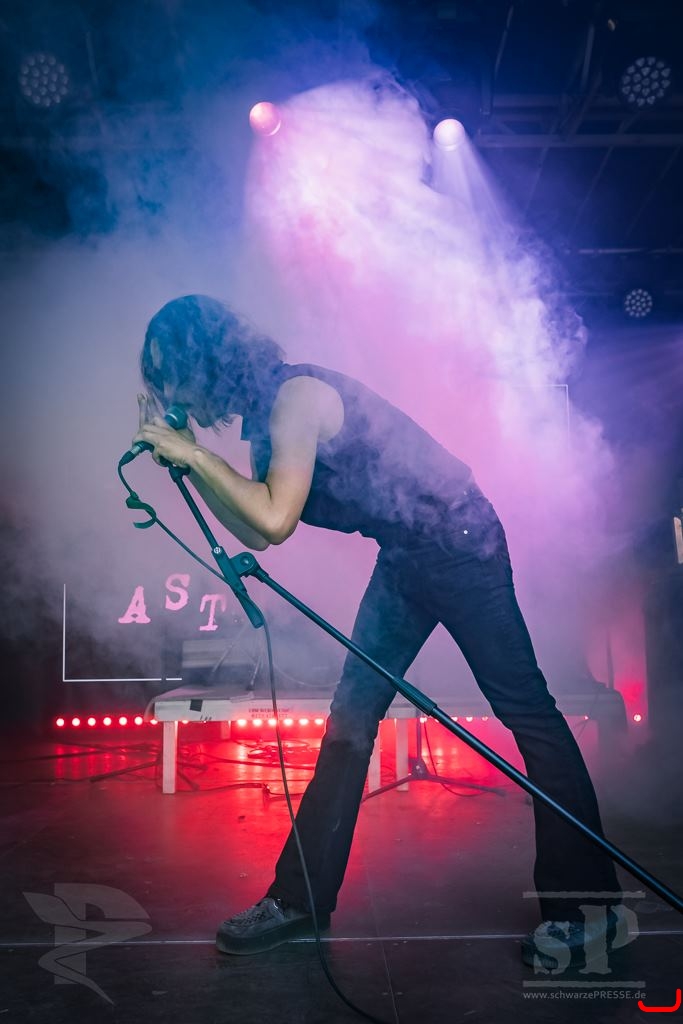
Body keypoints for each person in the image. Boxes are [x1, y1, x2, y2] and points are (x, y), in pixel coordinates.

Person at [134, 293, 622, 969]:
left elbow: (273, 518)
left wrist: (193, 453)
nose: (171, 392)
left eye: (172, 373)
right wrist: (191, 463)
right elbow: (257, 531)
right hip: (405, 551)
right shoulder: (263, 421)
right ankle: (300, 900)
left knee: (526, 710)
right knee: (350, 720)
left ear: (204, 359)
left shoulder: (296, 398)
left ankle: (589, 909)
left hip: (461, 539)